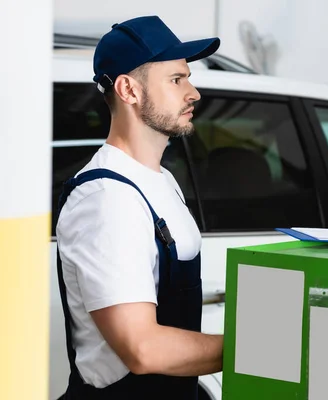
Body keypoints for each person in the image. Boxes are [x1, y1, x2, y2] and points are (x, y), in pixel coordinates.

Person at [55, 16, 223, 400]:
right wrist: (260, 349)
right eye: (177, 79)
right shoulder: (106, 198)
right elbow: (142, 348)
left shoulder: (160, 180)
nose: (193, 92)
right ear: (129, 89)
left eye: (188, 78)